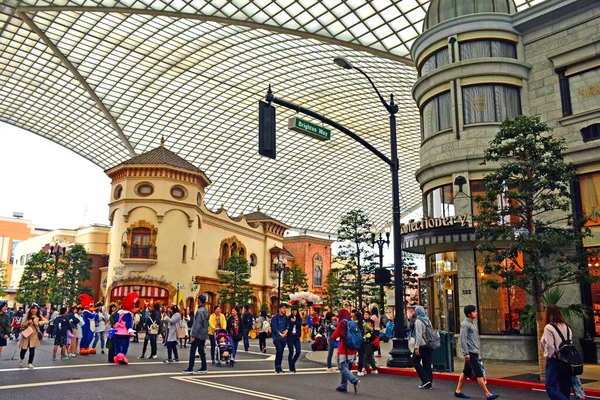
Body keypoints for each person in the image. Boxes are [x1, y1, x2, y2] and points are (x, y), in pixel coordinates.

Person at [454, 305, 499, 399]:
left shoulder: (472, 324)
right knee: (479, 373)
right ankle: (487, 394)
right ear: (469, 314)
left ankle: (458, 391)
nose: (476, 313)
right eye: (474, 312)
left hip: (474, 352)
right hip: (470, 353)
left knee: (466, 372)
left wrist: (477, 352)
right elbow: (463, 339)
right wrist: (465, 353)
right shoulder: (465, 324)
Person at [540, 305, 573, 400]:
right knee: (564, 387)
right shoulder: (567, 327)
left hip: (555, 360)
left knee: (550, 387)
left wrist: (547, 356)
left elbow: (550, 345)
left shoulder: (549, 327)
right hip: (567, 360)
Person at [331, 308, 360, 393]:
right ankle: (343, 385)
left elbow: (334, 336)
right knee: (346, 367)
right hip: (352, 349)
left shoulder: (342, 323)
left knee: (341, 366)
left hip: (344, 349)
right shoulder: (352, 323)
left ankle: (354, 380)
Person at [183, 294, 209, 374]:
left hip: (198, 334)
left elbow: (197, 324)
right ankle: (204, 367)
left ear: (200, 301)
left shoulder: (200, 311)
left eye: (198, 299)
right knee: (201, 350)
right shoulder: (205, 310)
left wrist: (193, 335)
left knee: (193, 350)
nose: (197, 301)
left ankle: (190, 368)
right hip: (203, 333)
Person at [19, 303, 48, 368]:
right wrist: (27, 323)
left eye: (35, 309)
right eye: (32, 309)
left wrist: (39, 323)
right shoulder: (27, 316)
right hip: (26, 334)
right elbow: (22, 325)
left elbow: (46, 321)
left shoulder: (39, 316)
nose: (33, 310)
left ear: (37, 310)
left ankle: (30, 363)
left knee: (32, 349)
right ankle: (21, 358)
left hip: (34, 335)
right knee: (23, 349)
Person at [112, 292, 138, 365]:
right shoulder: (129, 314)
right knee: (125, 345)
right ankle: (122, 356)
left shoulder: (119, 312)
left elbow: (115, 320)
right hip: (125, 331)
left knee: (117, 344)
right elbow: (128, 323)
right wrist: (130, 329)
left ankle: (117, 355)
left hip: (117, 330)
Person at [413, 306, 433, 389]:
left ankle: (425, 379)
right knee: (427, 363)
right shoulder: (427, 320)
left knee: (414, 361)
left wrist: (416, 347)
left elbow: (418, 336)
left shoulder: (418, 321)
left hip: (422, 345)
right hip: (428, 345)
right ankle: (429, 381)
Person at [272, 303, 290, 373]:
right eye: (283, 308)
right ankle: (277, 366)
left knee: (281, 352)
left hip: (284, 337)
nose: (284, 310)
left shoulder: (286, 317)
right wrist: (279, 333)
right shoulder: (275, 317)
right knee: (279, 350)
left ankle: (279, 365)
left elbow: (287, 326)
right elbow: (274, 327)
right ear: (280, 309)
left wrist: (285, 333)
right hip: (277, 337)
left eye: (285, 308)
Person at [287, 306, 302, 373]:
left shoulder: (299, 318)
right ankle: (291, 367)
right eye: (293, 311)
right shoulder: (288, 318)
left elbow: (299, 324)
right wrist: (291, 322)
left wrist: (294, 321)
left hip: (296, 336)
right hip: (290, 336)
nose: (294, 312)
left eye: (295, 311)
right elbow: (287, 326)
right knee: (291, 352)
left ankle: (292, 363)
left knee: (298, 351)